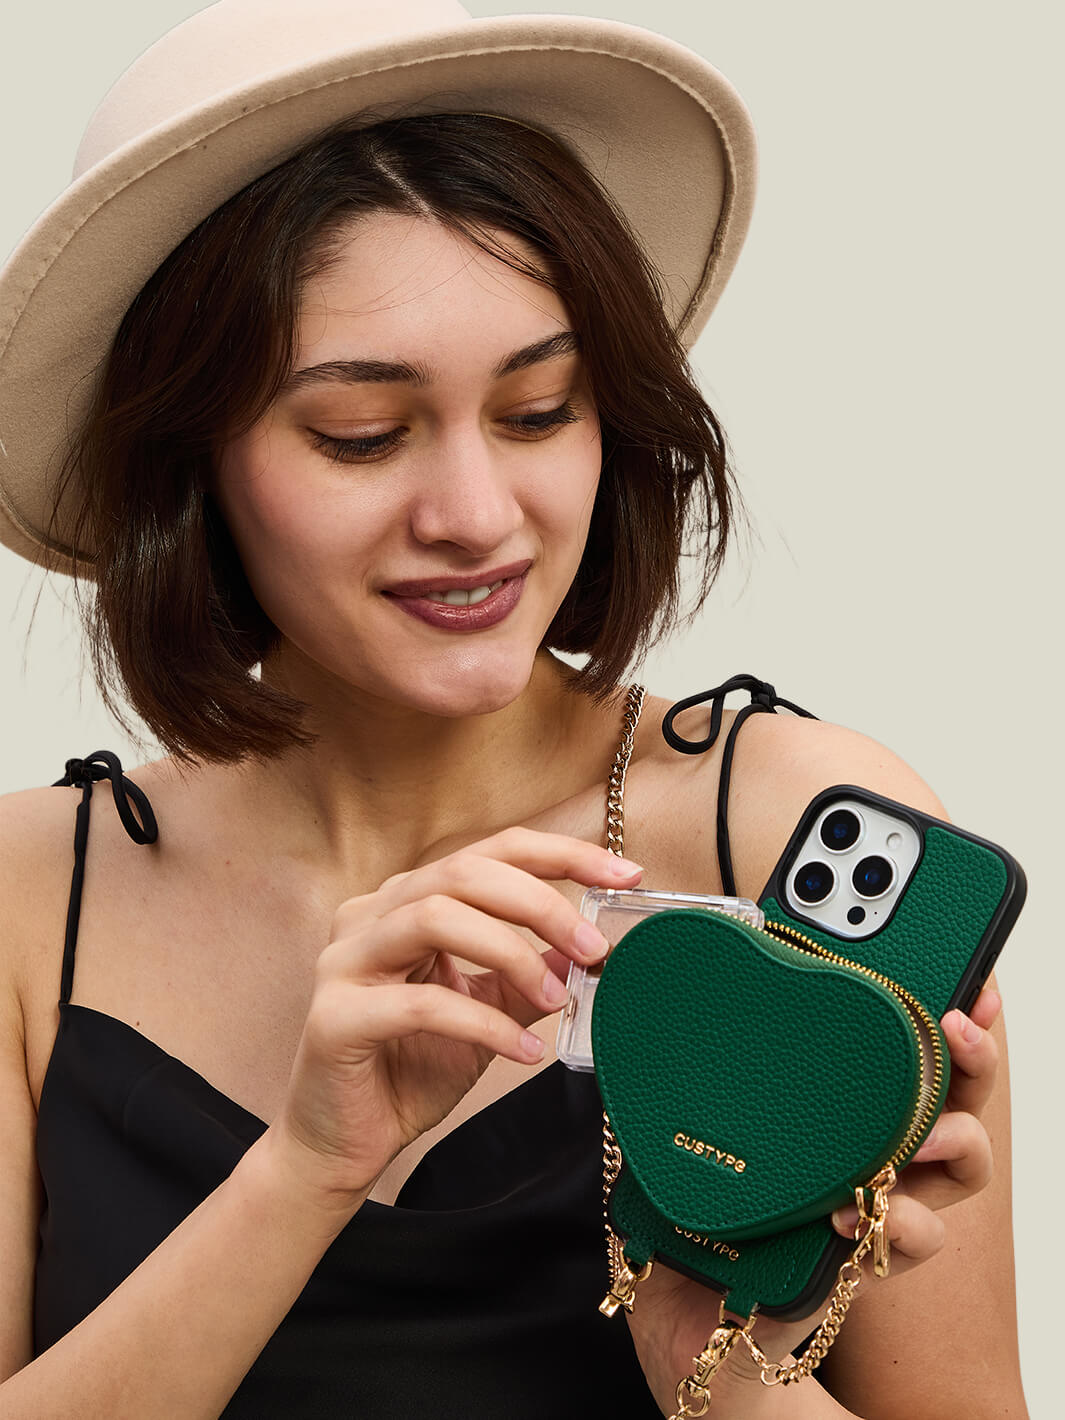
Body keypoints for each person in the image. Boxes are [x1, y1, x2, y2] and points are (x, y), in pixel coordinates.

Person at [0, 1, 1026, 1415]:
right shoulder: (29, 896)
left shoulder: (792, 832)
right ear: (189, 460)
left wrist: (716, 1363)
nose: (477, 516)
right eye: (360, 435)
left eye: (541, 411)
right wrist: (307, 1173)